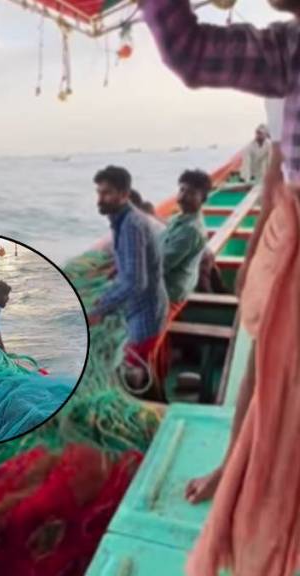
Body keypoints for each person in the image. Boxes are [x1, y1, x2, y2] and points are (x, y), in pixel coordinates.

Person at [144, 6, 300, 575]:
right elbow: (279, 168)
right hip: (287, 232)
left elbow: (187, 49)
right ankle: (233, 470)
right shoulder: (287, 49)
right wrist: (261, 247)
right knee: (259, 363)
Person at [87, 166, 168, 385]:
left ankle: (142, 402)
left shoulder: (132, 225)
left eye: (107, 193)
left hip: (144, 315)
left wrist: (100, 309)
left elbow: (135, 281)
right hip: (143, 308)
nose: (100, 199)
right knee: (135, 364)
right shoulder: (123, 221)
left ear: (124, 195)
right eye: (99, 193)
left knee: (131, 371)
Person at [162, 170, 212, 307]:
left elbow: (161, 266)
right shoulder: (178, 218)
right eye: (182, 190)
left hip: (171, 289)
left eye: (191, 193)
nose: (183, 197)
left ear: (203, 199)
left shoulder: (191, 230)